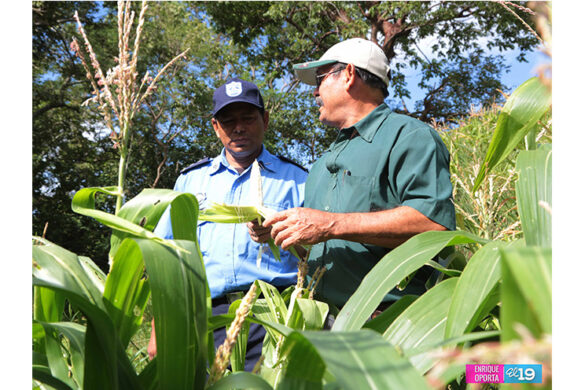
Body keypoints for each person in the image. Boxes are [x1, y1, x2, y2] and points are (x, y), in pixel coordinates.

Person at [256, 38, 456, 311]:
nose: (314, 92)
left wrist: (329, 224)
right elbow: (323, 246)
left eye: (320, 79)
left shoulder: (409, 137)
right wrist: (282, 233)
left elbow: (434, 224)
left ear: (349, 75)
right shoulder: (320, 164)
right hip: (323, 322)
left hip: (386, 322)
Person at [147, 78, 308, 371]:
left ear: (265, 120)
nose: (238, 128)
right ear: (215, 126)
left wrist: (281, 235)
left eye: (248, 118)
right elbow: (168, 258)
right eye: (228, 121)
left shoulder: (297, 180)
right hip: (203, 317)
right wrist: (160, 330)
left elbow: (317, 253)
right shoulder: (190, 181)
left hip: (273, 315)